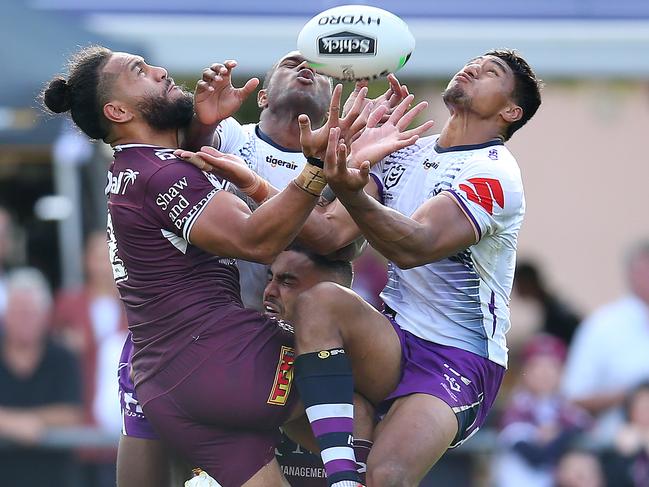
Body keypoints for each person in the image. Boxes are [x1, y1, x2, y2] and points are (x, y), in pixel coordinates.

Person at [42, 45, 428, 486]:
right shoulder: (163, 172)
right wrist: (321, 165)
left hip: (167, 381)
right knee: (354, 377)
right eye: (140, 71)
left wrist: (205, 123)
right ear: (117, 109)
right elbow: (259, 240)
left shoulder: (138, 167)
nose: (161, 69)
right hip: (225, 359)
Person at [275, 49, 543, 486]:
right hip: (395, 339)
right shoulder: (403, 151)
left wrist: (352, 189)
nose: (472, 67)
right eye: (473, 62)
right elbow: (326, 233)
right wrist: (320, 165)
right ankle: (342, 480)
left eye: (491, 72)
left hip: (458, 358)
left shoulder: (495, 173)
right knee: (319, 302)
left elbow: (416, 245)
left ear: (511, 111)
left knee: (387, 475)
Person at [0, 268, 82, 487]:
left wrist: (29, 423)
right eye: (17, 312)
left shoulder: (62, 356)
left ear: (45, 316)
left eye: (30, 312)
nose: (23, 320)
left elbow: (72, 413)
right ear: (5, 315)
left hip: (53, 477)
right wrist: (14, 424)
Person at [562, 241, 649, 442]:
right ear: (632, 273)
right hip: (617, 452)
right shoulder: (603, 325)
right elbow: (573, 396)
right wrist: (631, 395)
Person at [493, 334, 591, 487]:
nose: (545, 373)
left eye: (552, 366)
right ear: (525, 371)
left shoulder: (564, 408)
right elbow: (535, 456)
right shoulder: (517, 407)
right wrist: (564, 434)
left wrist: (559, 433)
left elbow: (587, 430)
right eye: (538, 366)